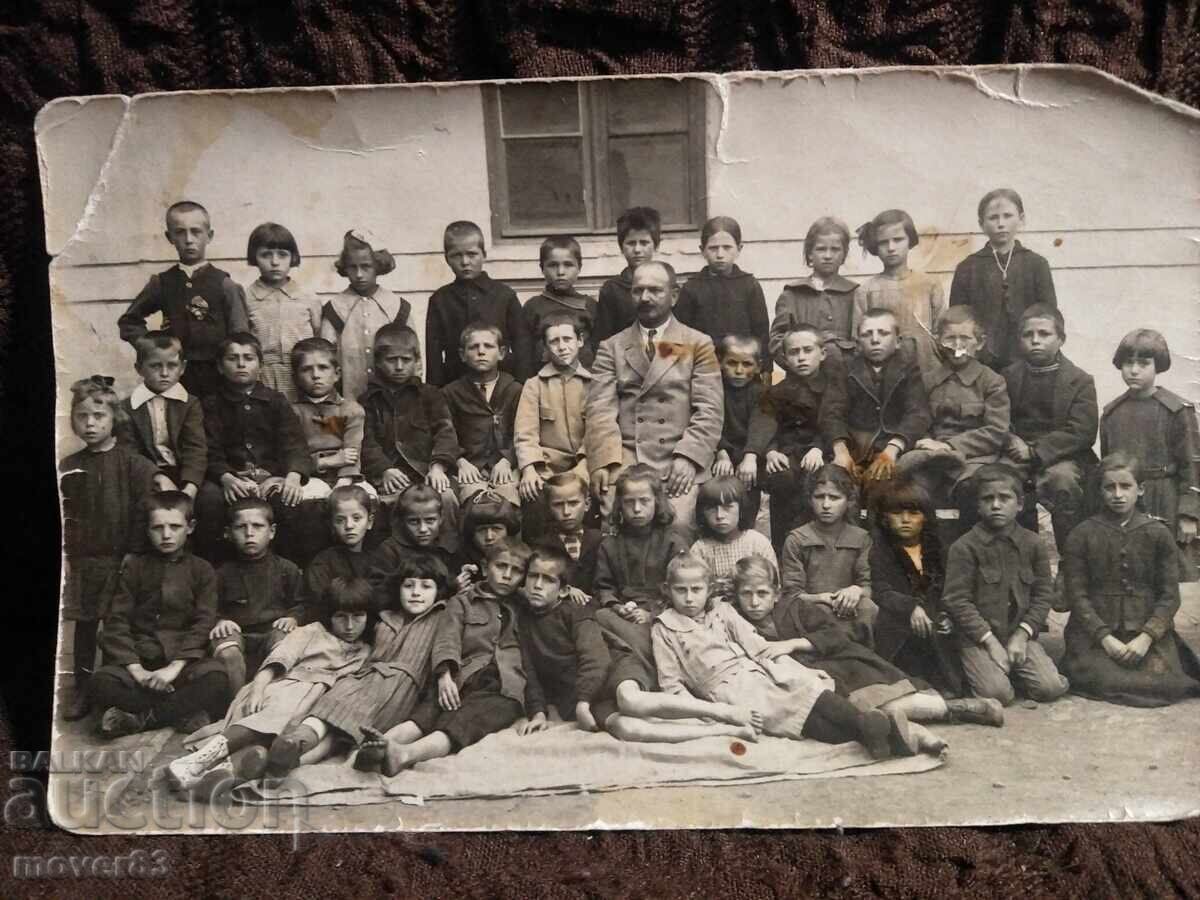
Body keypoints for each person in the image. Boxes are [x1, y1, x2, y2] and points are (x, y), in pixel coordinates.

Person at [652, 554, 934, 758]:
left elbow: (756, 645)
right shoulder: (664, 628)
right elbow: (671, 684)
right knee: (797, 719)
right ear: (668, 590)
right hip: (728, 690)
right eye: (681, 590)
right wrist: (708, 715)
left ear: (708, 589)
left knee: (808, 687)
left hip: (758, 667)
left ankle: (869, 726)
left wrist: (799, 670)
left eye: (696, 590)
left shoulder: (722, 611)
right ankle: (879, 734)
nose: (689, 598)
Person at [514, 546, 760, 744]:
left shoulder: (576, 613)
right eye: (533, 577)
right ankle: (725, 731)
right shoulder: (523, 621)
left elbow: (595, 659)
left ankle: (722, 712)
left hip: (613, 668)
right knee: (627, 729)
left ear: (563, 590)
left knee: (631, 701)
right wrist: (538, 713)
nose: (538, 585)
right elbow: (530, 672)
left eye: (548, 580)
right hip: (578, 693)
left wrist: (583, 701)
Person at [732, 555, 1001, 726]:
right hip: (805, 682)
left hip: (842, 666)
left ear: (776, 594)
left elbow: (835, 635)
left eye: (762, 593)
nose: (754, 602)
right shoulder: (735, 620)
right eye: (746, 594)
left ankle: (962, 708)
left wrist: (792, 644)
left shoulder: (795, 608)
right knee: (852, 713)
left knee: (877, 703)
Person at [165, 576, 373, 797]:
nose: (349, 626)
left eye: (358, 616)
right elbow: (278, 659)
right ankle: (195, 761)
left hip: (314, 703)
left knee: (273, 745)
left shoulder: (365, 651)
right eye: (341, 616)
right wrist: (257, 690)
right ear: (329, 615)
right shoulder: (311, 632)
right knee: (273, 716)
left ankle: (216, 777)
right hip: (285, 688)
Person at [351, 539, 537, 776]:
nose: (507, 575)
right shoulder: (462, 602)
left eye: (517, 571)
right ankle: (373, 748)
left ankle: (405, 754)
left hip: (503, 687)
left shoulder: (525, 606)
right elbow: (447, 639)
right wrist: (444, 675)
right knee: (425, 714)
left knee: (465, 720)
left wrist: (570, 590)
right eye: (501, 566)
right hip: (460, 676)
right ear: (484, 566)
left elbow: (552, 600)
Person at [276, 556, 451, 775]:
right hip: (362, 677)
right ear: (398, 588)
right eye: (409, 586)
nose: (416, 593)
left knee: (341, 729)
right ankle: (292, 747)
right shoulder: (385, 617)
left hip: (398, 689)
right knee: (330, 706)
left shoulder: (442, 617)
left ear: (439, 591)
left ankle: (291, 758)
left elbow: (448, 647)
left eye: (426, 586)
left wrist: (444, 674)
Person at [586, 260, 724, 525]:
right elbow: (599, 412)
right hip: (626, 460)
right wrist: (604, 462)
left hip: (677, 460)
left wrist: (689, 457)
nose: (645, 297)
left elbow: (710, 410)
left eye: (655, 290)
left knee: (678, 526)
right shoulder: (612, 347)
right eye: (638, 291)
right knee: (616, 527)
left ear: (674, 295)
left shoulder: (697, 344)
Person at [1060, 453, 1200, 707]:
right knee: (1099, 678)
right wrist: (1105, 639)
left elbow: (1170, 596)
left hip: (1145, 631)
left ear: (1140, 489)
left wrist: (1146, 638)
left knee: (1166, 683)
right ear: (1100, 491)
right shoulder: (1081, 534)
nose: (1118, 494)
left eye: (1126, 486)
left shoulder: (1158, 533)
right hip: (1095, 636)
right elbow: (1078, 596)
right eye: (1109, 487)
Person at [90, 492, 228, 737]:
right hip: (141, 659)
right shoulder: (133, 567)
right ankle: (179, 712)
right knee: (101, 682)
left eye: (175, 527)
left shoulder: (202, 569)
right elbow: (117, 621)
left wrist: (174, 668)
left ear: (190, 527)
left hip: (183, 663)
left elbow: (204, 621)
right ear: (147, 530)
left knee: (216, 679)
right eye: (157, 528)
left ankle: (141, 719)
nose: (166, 535)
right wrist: (137, 671)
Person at [59, 376, 158, 720]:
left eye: (98, 416)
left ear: (114, 418)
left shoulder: (135, 465)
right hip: (86, 561)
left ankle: (115, 688)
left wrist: (133, 553)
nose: (90, 424)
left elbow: (144, 512)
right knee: (86, 626)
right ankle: (82, 688)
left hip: (125, 559)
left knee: (120, 626)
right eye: (82, 416)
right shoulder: (69, 466)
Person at [941, 463, 1069, 706]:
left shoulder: (1033, 544)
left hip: (1018, 633)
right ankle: (985, 671)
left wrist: (1022, 634)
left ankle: (1016, 670)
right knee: (998, 694)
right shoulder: (964, 547)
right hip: (978, 638)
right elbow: (957, 601)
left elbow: (1043, 595)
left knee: (1050, 688)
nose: (996, 505)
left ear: (1019, 504)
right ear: (978, 506)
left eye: (1004, 498)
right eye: (987, 499)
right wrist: (989, 642)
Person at [192, 332, 315, 563]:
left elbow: (294, 444)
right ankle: (217, 567)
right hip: (230, 478)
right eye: (233, 358)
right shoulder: (211, 404)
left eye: (248, 358)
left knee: (289, 500)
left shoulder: (276, 401)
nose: (241, 364)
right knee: (209, 500)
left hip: (271, 477)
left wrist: (293, 476)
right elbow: (209, 448)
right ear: (219, 366)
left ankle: (287, 568)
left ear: (260, 365)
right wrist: (226, 477)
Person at [117, 200, 249, 398]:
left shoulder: (224, 284)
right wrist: (152, 347)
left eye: (196, 232)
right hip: (174, 376)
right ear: (169, 237)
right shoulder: (162, 283)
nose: (188, 239)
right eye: (180, 232)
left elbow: (240, 335)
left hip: (217, 378)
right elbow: (129, 321)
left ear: (209, 236)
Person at [896, 306, 1011, 518]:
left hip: (974, 458)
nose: (958, 345)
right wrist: (927, 442)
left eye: (965, 338)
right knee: (908, 491)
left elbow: (996, 431)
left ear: (980, 343)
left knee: (970, 489)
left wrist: (950, 446)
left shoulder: (992, 382)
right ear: (939, 341)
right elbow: (919, 419)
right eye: (950, 338)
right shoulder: (928, 381)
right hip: (931, 455)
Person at [1002, 303, 1098, 551]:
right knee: (1000, 482)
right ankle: (1022, 557)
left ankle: (1071, 557)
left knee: (1062, 481)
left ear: (1061, 339)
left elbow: (1083, 430)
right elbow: (998, 417)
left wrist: (1035, 451)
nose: (1035, 340)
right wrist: (1011, 439)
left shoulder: (1080, 380)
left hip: (1062, 456)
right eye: (1028, 335)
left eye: (1044, 334)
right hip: (1016, 453)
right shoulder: (1007, 377)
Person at [1100, 329, 1200, 551]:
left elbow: (1192, 466)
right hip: (1125, 501)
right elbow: (1108, 467)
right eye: (1128, 363)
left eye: (1143, 363)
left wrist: (1189, 514)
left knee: (1171, 563)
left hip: (1166, 499)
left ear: (1158, 366)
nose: (1134, 370)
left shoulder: (1177, 411)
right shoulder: (1111, 413)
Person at [754, 324, 853, 545]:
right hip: (788, 453)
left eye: (808, 350)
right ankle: (783, 548)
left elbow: (835, 422)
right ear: (785, 359)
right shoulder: (777, 391)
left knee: (818, 482)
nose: (801, 358)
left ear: (823, 353)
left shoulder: (833, 388)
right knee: (781, 478)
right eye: (794, 352)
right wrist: (771, 451)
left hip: (822, 452)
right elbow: (767, 425)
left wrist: (819, 448)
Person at [357, 323, 458, 534]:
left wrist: (438, 466)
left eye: (406, 360)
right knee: (387, 505)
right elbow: (366, 441)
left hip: (426, 472)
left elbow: (445, 432)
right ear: (378, 362)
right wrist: (384, 469)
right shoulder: (368, 401)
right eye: (391, 360)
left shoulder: (430, 395)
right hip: (389, 476)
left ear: (417, 361)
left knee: (446, 497)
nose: (399, 366)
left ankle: (447, 551)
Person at [869, 479, 965, 697]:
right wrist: (911, 607)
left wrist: (947, 615)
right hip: (898, 623)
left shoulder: (938, 550)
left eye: (913, 513)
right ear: (885, 518)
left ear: (925, 517)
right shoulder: (881, 550)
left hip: (934, 622)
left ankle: (945, 686)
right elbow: (881, 590)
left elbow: (951, 589)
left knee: (945, 637)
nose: (905, 520)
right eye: (896, 513)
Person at [593, 465, 691, 668]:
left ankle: (645, 662)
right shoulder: (610, 545)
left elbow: (683, 587)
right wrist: (617, 607)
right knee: (600, 617)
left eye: (644, 501)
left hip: (663, 614)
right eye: (629, 502)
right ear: (620, 505)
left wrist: (651, 614)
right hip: (623, 617)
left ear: (657, 501)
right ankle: (653, 660)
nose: (637, 509)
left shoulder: (673, 542)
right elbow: (604, 587)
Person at [949, 188, 1056, 371]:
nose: (1001, 224)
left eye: (1007, 216)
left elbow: (1049, 315)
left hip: (1027, 360)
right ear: (981, 224)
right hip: (981, 361)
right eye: (993, 218)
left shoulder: (1036, 264)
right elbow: (957, 319)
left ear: (1021, 219)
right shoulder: (968, 268)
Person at [209, 498, 305, 696]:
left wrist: (293, 617)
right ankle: (235, 704)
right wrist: (220, 620)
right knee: (227, 649)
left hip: (272, 631)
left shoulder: (286, 569)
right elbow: (209, 606)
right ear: (228, 533)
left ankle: (272, 701)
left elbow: (301, 603)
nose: (249, 533)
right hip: (238, 633)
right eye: (241, 527)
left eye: (258, 526)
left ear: (272, 531)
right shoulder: (222, 573)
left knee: (284, 645)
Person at [779, 464, 877, 645]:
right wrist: (821, 598)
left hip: (849, 609)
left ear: (849, 501)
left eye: (834, 498)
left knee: (868, 608)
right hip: (812, 610)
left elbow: (867, 586)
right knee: (820, 614)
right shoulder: (797, 539)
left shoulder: (861, 538)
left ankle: (857, 652)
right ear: (810, 499)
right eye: (819, 497)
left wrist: (856, 590)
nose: (826, 505)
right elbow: (792, 594)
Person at [514, 312, 593, 529]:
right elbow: (525, 434)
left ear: (580, 340)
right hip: (546, 468)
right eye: (554, 341)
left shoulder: (594, 384)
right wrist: (529, 468)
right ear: (546, 347)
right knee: (531, 495)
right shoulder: (534, 385)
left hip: (585, 465)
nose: (562, 347)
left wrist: (584, 465)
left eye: (567, 339)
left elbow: (597, 432)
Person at [424, 220, 526, 387]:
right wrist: (435, 394)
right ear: (447, 258)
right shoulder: (440, 300)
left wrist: (522, 387)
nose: (465, 262)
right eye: (457, 255)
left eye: (472, 254)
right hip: (455, 386)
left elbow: (522, 348)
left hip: (501, 385)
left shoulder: (504, 295)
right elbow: (433, 355)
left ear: (484, 254)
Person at [844, 308, 932, 498]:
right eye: (867, 334)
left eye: (883, 333)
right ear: (858, 343)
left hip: (894, 448)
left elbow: (918, 414)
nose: (875, 340)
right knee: (839, 487)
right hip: (855, 450)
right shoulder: (846, 369)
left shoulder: (909, 369)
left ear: (898, 341)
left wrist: (893, 448)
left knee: (888, 486)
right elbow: (832, 413)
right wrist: (841, 452)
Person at [319, 229, 410, 405]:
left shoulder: (397, 307)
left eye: (366, 266)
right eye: (353, 267)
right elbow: (325, 357)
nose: (359, 274)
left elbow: (413, 357)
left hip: (392, 402)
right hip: (348, 401)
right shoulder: (335, 308)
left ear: (378, 266)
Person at [674, 216, 771, 378]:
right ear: (702, 250)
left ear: (739, 248)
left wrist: (766, 369)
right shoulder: (692, 288)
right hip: (703, 370)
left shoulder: (749, 285)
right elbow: (680, 334)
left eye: (727, 248)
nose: (720, 254)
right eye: (713, 248)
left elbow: (761, 331)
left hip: (741, 371)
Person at [852, 209, 946, 375]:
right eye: (883, 242)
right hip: (885, 373)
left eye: (898, 240)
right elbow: (859, 341)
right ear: (875, 246)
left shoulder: (929, 284)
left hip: (926, 368)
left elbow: (942, 332)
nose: (891, 248)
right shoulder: (867, 290)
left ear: (910, 241)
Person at [441, 323, 523, 508]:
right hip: (468, 468)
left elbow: (523, 432)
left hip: (505, 467)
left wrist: (507, 460)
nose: (481, 352)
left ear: (501, 353)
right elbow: (445, 434)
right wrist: (460, 462)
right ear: (462, 355)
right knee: (472, 501)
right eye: (473, 347)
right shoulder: (450, 393)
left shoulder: (515, 390)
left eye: (488, 346)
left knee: (509, 499)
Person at [118, 331, 207, 499]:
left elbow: (195, 449)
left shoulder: (190, 404)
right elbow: (130, 452)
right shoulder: (127, 407)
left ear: (182, 368)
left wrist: (190, 487)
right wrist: (157, 477)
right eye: (155, 366)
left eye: (172, 366)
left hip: (184, 473)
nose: (165, 373)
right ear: (139, 369)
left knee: (210, 497)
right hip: (147, 474)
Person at [240, 222, 322, 401]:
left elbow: (318, 337)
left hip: (302, 376)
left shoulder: (308, 297)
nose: (275, 262)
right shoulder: (247, 298)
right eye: (266, 255)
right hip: (262, 377)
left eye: (282, 255)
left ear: (293, 257)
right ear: (254, 257)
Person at [769, 216, 859, 367]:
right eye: (821, 249)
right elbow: (777, 340)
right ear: (810, 253)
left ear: (844, 255)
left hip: (845, 374)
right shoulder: (792, 295)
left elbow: (862, 340)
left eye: (835, 249)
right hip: (802, 375)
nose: (828, 256)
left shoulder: (855, 293)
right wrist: (797, 365)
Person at [289, 338, 369, 501]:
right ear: (295, 377)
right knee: (305, 499)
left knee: (360, 499)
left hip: (345, 477)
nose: (316, 375)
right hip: (308, 477)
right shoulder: (291, 412)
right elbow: (292, 455)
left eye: (323, 368)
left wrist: (343, 483)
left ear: (337, 374)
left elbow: (353, 451)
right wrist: (326, 462)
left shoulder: (351, 410)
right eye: (306, 369)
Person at [518, 235, 598, 378]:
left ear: (579, 267)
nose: (560, 272)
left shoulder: (589, 305)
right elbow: (524, 356)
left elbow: (599, 350)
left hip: (585, 380)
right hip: (544, 381)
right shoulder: (533, 307)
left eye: (568, 265)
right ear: (542, 268)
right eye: (553, 265)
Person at [711, 334, 769, 524]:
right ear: (720, 362)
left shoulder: (762, 393)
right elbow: (710, 422)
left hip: (748, 456)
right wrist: (721, 452)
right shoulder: (713, 389)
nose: (739, 370)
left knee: (748, 482)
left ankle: (745, 527)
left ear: (758, 366)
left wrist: (750, 456)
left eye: (747, 364)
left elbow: (760, 426)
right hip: (718, 452)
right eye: (732, 363)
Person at [688, 475, 775, 600]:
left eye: (727, 507)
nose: (719, 515)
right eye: (711, 509)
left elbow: (772, 586)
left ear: (741, 508)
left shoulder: (757, 543)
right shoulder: (700, 549)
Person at [303, 485, 380, 622]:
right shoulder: (322, 563)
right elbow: (319, 606)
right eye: (340, 520)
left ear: (369, 522)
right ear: (332, 524)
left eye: (356, 518)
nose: (349, 525)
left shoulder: (378, 559)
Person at [591, 206, 661, 351]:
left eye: (644, 243)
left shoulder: (666, 285)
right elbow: (603, 339)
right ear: (621, 247)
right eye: (631, 243)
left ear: (656, 245)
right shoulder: (612, 290)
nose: (637, 250)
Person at [537, 472, 603, 595]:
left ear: (587, 504)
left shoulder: (599, 540)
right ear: (548, 508)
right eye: (558, 505)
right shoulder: (543, 544)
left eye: (573, 503)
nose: (566, 512)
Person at [452, 490, 522, 591]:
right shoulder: (459, 561)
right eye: (482, 530)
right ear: (472, 533)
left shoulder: (521, 559)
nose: (489, 537)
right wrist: (456, 588)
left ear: (508, 530)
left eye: (496, 529)